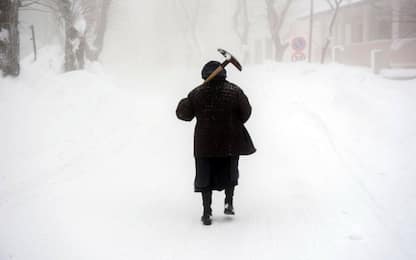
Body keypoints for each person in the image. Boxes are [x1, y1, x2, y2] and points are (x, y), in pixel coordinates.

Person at [176, 61, 256, 225]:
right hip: (229, 143)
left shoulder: (197, 93)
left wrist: (187, 100)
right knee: (229, 173)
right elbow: (246, 113)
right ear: (224, 75)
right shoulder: (235, 91)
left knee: (205, 177)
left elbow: (184, 114)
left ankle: (206, 211)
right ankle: (229, 203)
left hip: (205, 145)